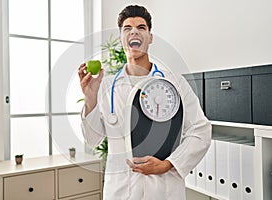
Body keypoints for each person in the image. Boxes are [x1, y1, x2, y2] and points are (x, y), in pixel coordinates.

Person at [78, 5, 211, 200]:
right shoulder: (106, 87)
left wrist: (168, 164)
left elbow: (201, 131)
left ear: (150, 37)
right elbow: (93, 139)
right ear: (121, 38)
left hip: (164, 189)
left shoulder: (174, 83)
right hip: (121, 190)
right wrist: (90, 99)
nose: (134, 32)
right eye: (127, 28)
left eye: (141, 27)